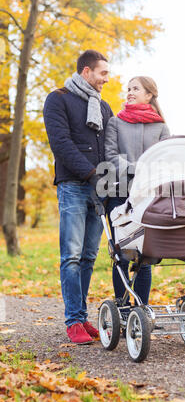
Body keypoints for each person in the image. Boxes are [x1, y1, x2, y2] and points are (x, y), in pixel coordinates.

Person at [43, 49, 113, 344]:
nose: (106, 80)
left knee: (88, 256)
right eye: (103, 73)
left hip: (100, 188)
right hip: (72, 185)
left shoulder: (104, 107)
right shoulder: (57, 99)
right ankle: (73, 321)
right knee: (71, 256)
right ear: (87, 72)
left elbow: (110, 147)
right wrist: (91, 173)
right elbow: (61, 144)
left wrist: (109, 179)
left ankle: (82, 318)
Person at [105, 76, 170, 309]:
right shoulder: (115, 122)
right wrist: (137, 171)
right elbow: (111, 156)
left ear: (149, 95)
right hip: (121, 193)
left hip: (149, 197)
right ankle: (121, 309)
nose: (130, 92)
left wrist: (149, 178)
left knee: (145, 255)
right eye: (128, 89)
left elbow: (165, 160)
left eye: (135, 89)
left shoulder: (161, 126)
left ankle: (141, 310)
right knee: (121, 254)